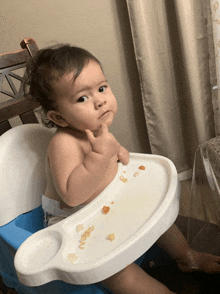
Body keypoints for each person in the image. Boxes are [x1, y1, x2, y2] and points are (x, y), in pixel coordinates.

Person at [24, 44, 220, 294]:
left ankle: (186, 255)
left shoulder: (98, 131)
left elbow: (121, 156)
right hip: (77, 225)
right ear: (60, 118)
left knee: (160, 221)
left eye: (102, 88)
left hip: (107, 206)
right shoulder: (63, 144)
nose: (99, 101)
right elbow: (72, 195)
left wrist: (117, 152)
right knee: (116, 272)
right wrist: (100, 155)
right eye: (83, 98)